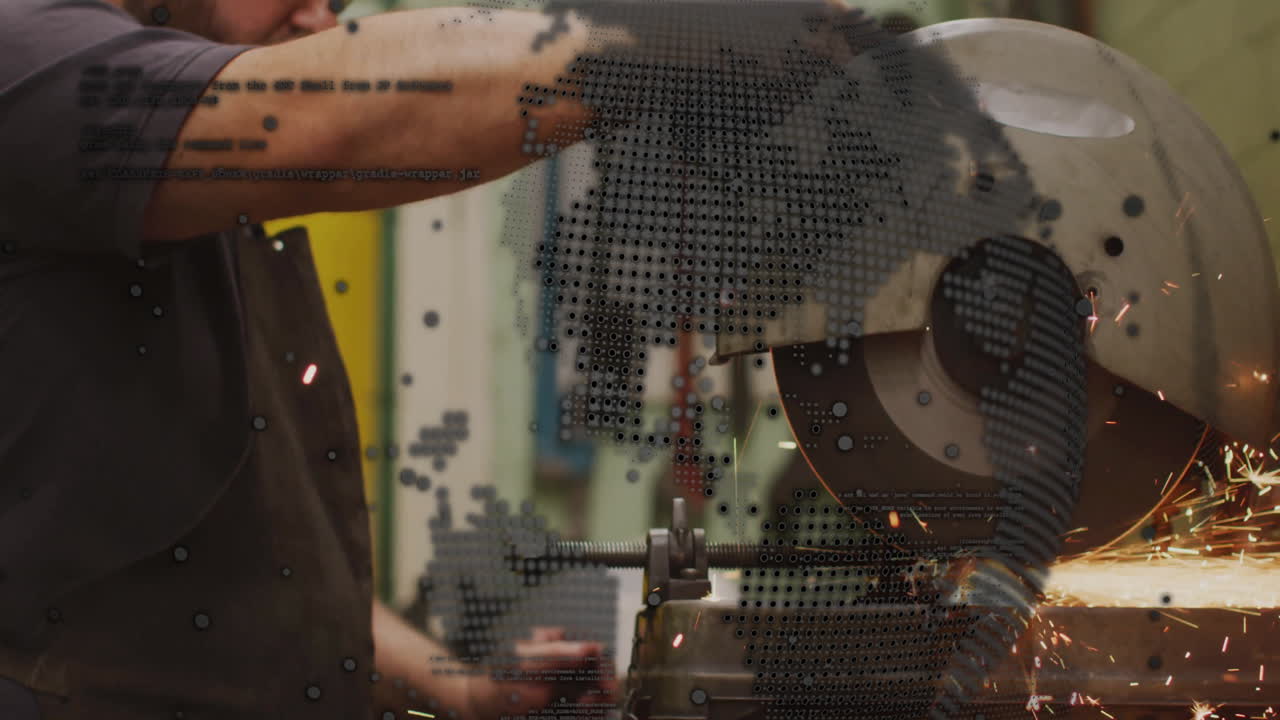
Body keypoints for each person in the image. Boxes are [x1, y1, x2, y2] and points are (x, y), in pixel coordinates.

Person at [0, 0, 626, 718]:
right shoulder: (23, 54)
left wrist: (461, 689)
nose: (319, 22)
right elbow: (323, 115)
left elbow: (266, 579)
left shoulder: (187, 204)